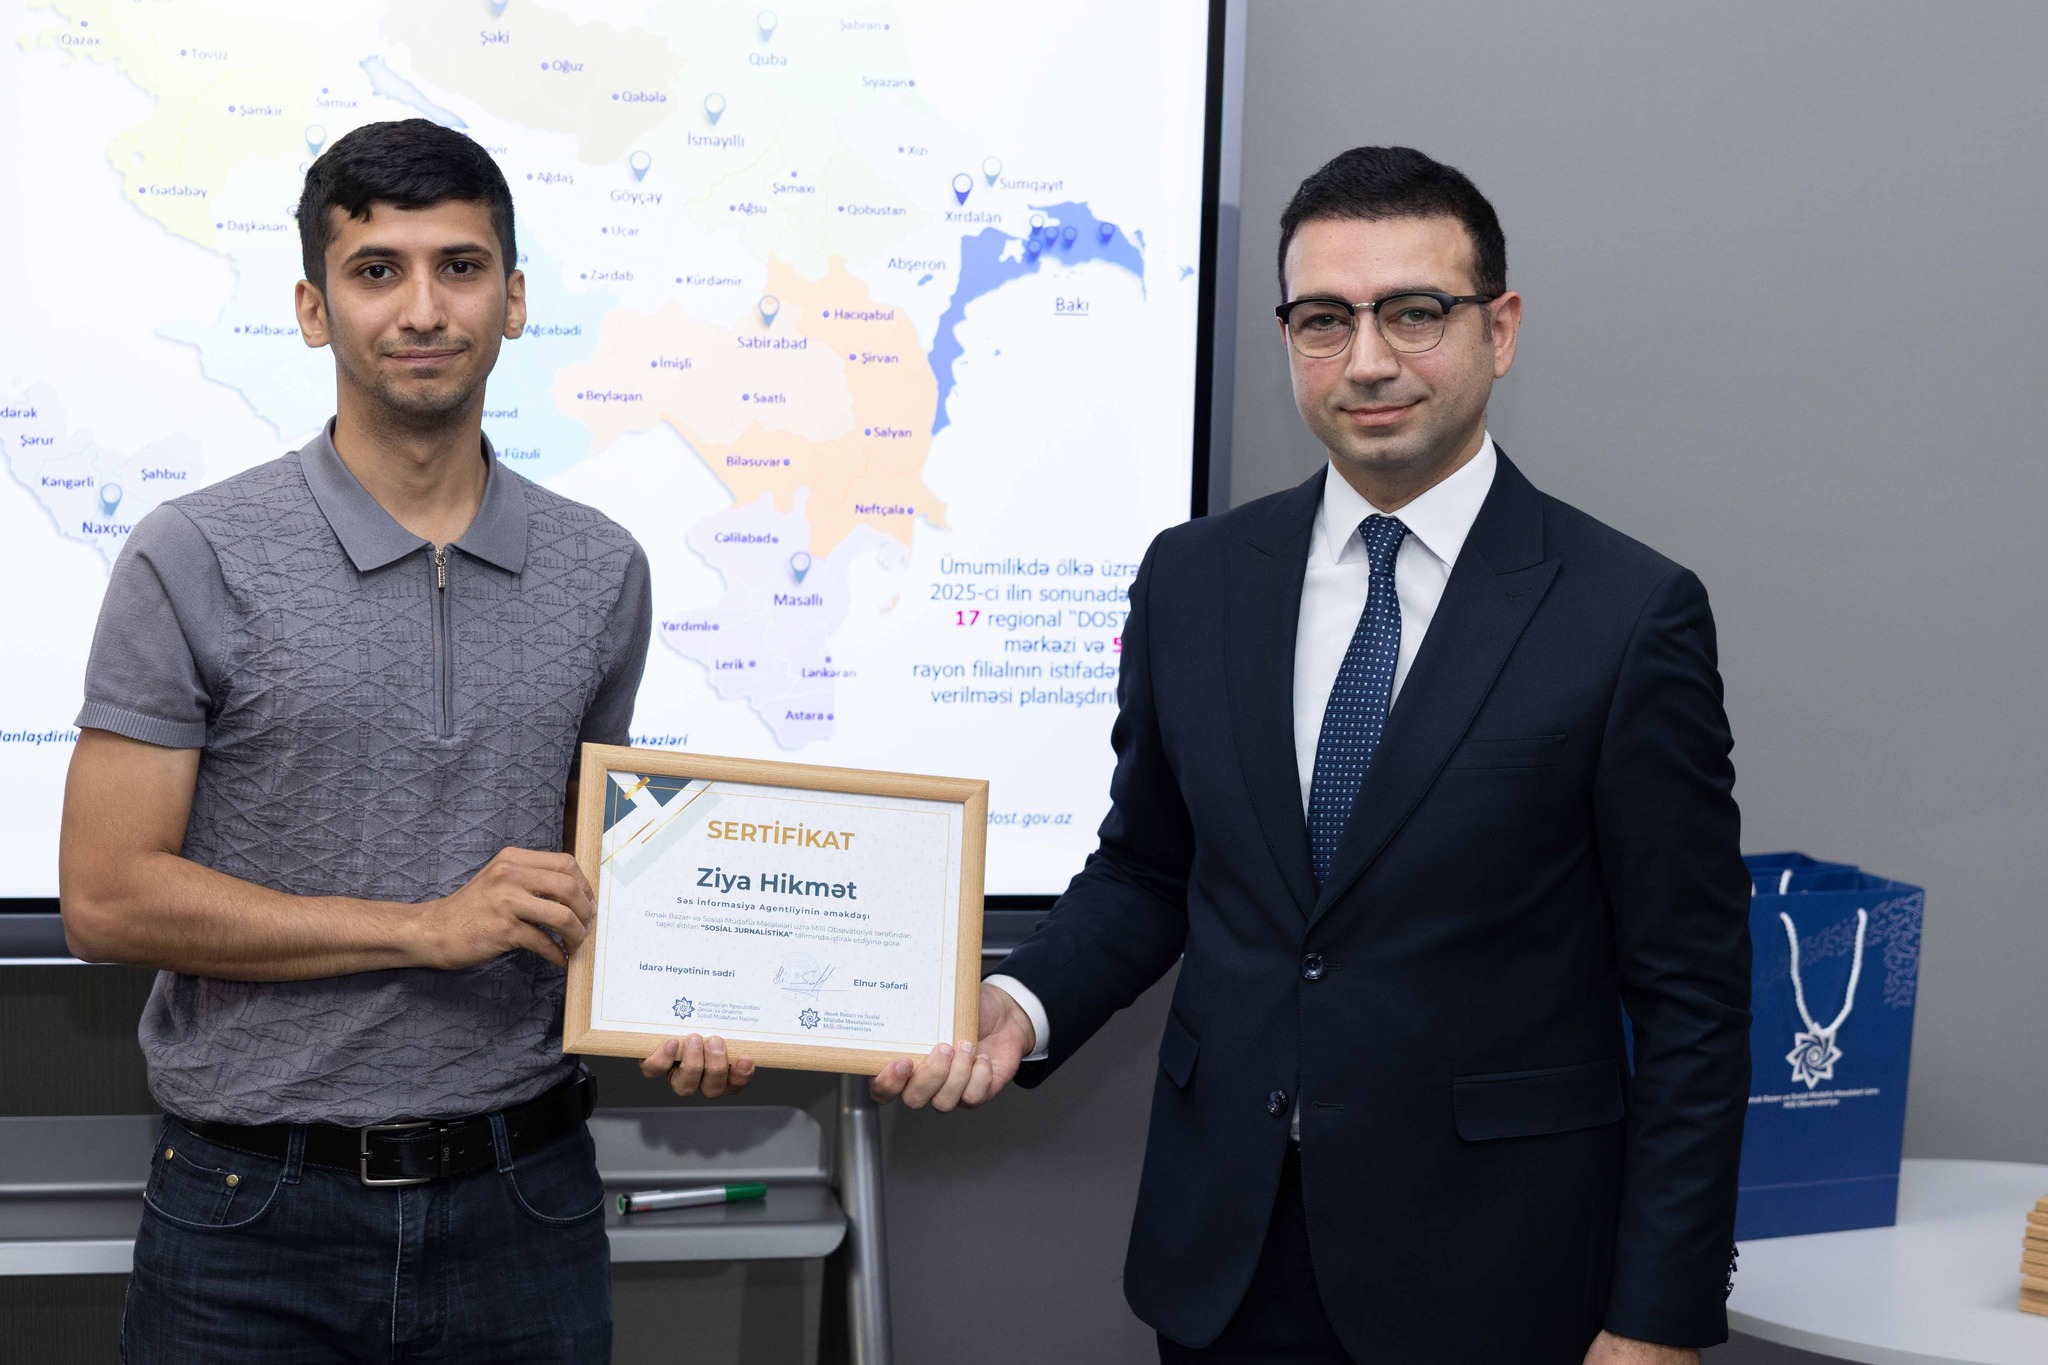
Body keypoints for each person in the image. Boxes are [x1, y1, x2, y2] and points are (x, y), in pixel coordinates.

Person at [872, 146, 1752, 1365]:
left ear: (1498, 329)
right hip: (1228, 1262)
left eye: (1414, 313)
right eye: (1324, 320)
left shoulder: (1624, 613)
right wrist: (1017, 1005)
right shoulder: (1192, 580)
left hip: (1496, 1274)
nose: (1368, 359)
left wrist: (1654, 1319)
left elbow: (1692, 993)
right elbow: (1150, 869)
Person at [58, 119, 754, 1363]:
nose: (424, 308)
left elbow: (587, 880)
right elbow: (107, 900)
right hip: (249, 1213)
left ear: (515, 300)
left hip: (525, 1199)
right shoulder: (194, 553)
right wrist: (422, 928)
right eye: (376, 270)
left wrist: (699, 998)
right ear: (313, 310)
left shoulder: (602, 569)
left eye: (460, 267)